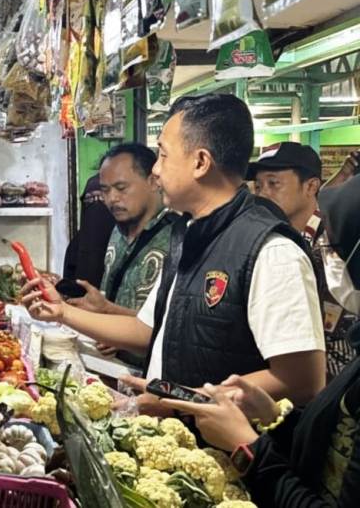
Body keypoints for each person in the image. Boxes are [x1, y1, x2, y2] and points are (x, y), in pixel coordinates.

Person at [21, 93, 326, 410]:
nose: (155, 170)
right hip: (178, 437)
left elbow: (303, 381)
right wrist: (63, 313)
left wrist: (179, 399)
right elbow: (146, 330)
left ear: (200, 162)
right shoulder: (189, 235)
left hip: (227, 455)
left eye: (163, 155)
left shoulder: (271, 252)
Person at [162, 173, 360, 507]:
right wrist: (273, 418)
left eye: (336, 247)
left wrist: (246, 446)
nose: (329, 258)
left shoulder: (270, 249)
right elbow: (332, 443)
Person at [249, 141, 357, 378]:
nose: (263, 193)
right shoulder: (267, 244)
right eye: (258, 186)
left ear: (311, 187)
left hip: (342, 392)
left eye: (273, 183)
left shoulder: (337, 238)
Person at [68, 143, 175, 365]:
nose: (112, 199)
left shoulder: (178, 238)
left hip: (153, 374)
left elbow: (173, 325)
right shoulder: (116, 231)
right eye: (105, 190)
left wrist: (112, 315)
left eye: (121, 188)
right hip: (114, 366)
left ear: (153, 181)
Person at [62, 174, 116, 288]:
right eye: (89, 199)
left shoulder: (125, 244)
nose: (95, 204)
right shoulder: (75, 246)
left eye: (101, 198)